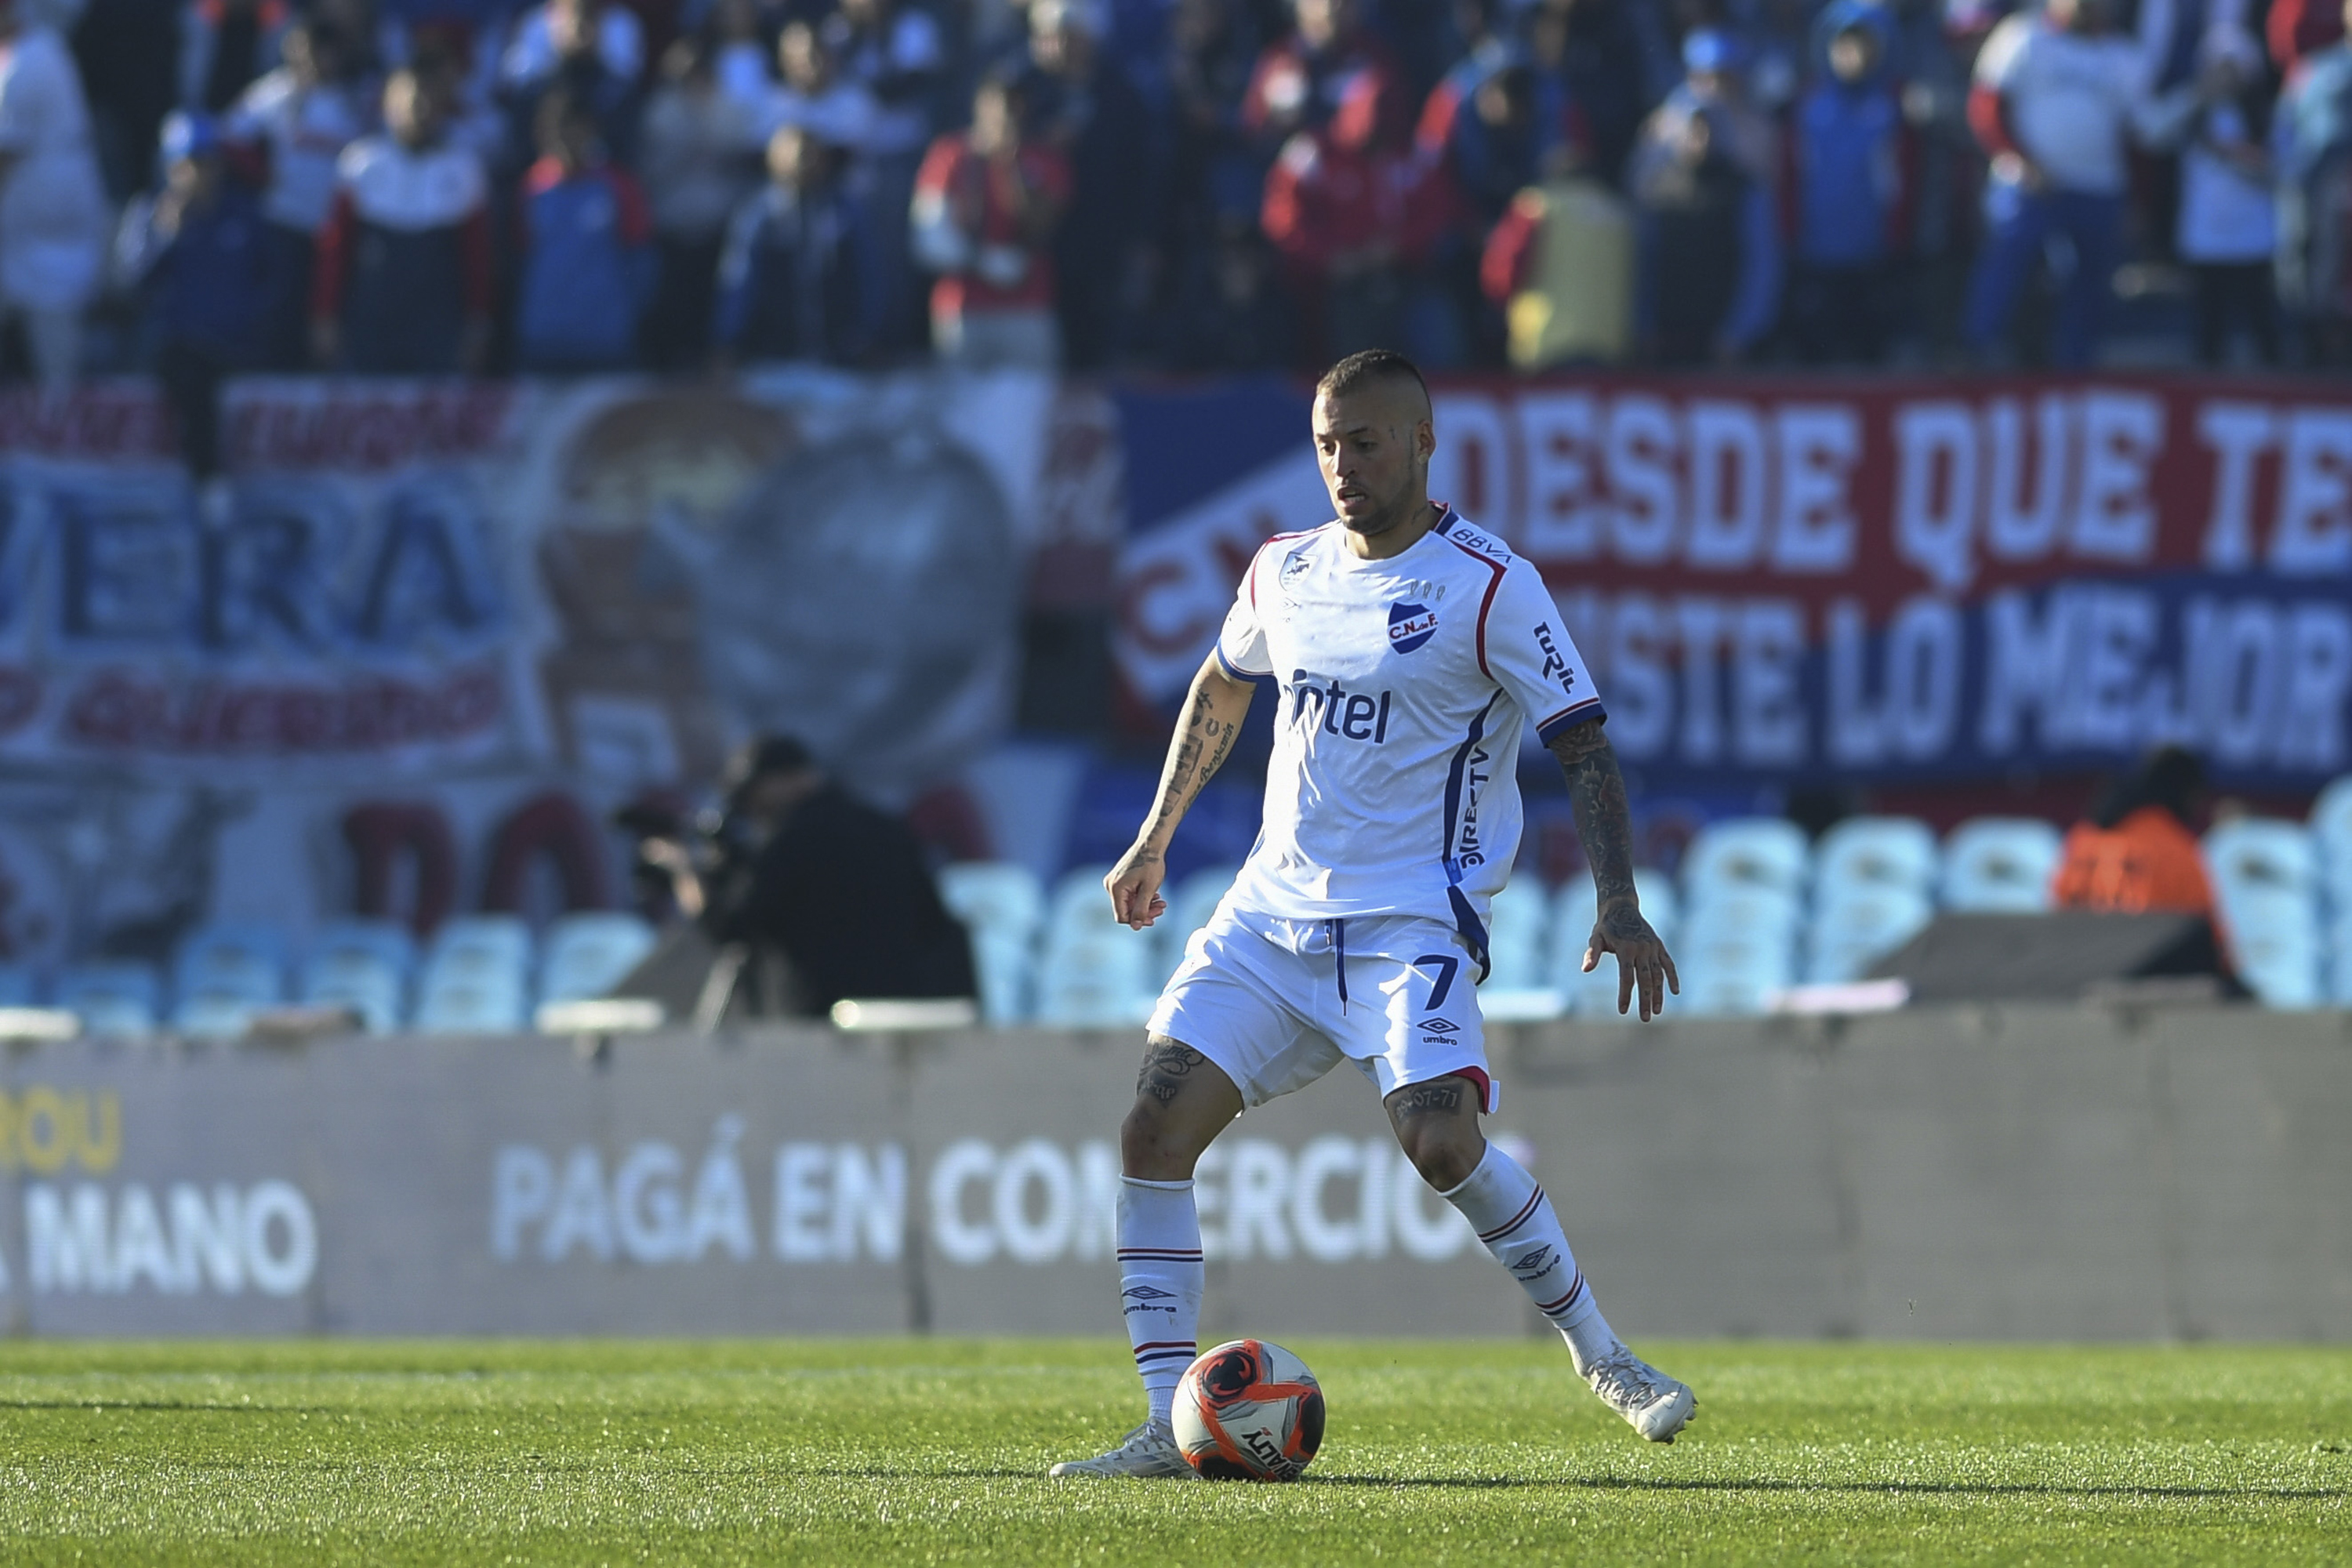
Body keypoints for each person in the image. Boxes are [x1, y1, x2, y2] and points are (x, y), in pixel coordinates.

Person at [1049, 349, 1691, 1480]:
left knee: (1442, 1144)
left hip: (1411, 928)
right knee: (1151, 1131)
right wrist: (1154, 836)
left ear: (1424, 441)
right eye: (1329, 445)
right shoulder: (1282, 572)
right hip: (1269, 921)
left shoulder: (1491, 585)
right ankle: (1166, 1418)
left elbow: (1581, 743)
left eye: (1369, 442)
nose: (1345, 466)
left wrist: (1621, 902)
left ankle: (1605, 1356)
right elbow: (1221, 682)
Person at [643, 735, 977, 1020]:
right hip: (902, 1016)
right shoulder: (885, 827)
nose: (752, 809)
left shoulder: (791, 840)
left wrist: (684, 871)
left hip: (821, 1024)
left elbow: (732, 930)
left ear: (786, 779)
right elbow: (932, 922)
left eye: (753, 794)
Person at [1962, 0, 2151, 368]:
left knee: (2092, 280)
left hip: (2098, 187)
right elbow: (1985, 106)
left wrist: (2137, 200)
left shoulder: (2122, 55)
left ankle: (2076, 366)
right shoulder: (2023, 36)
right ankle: (1978, 351)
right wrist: (2018, 158)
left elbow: (2139, 135)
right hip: (2031, 183)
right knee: (2007, 264)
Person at [115, 110, 283, 499]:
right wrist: (165, 237)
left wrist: (251, 318)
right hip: (182, 349)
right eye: (189, 164)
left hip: (237, 344)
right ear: (171, 167)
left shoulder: (244, 214)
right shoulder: (150, 215)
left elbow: (272, 280)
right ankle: (209, 484)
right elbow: (130, 285)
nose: (198, 175)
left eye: (207, 163)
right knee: (190, 374)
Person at [310, 67, 492, 373]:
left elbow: (476, 258)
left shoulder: (464, 168)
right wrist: (325, 315)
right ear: (389, 105)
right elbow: (335, 249)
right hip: (371, 317)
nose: (420, 111)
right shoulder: (362, 163)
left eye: (428, 102)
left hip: (436, 320)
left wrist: (478, 323)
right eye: (411, 101)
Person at [225, 18, 369, 368]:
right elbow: (231, 136)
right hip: (282, 220)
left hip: (332, 229)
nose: (311, 62)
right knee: (280, 309)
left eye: (319, 53)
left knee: (325, 314)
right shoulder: (275, 95)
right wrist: (262, 173)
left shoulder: (354, 101)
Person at [910, 71, 1068, 367]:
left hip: (1029, 308)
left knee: (1032, 404)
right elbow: (928, 240)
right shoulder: (948, 155)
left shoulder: (1046, 158)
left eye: (1014, 102)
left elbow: (1040, 227)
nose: (1005, 112)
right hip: (962, 309)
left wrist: (1011, 164)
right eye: (995, 101)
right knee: (960, 408)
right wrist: (982, 261)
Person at [2143, 27, 2277, 365]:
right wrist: (2195, 96)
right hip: (2205, 234)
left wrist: (2232, 154)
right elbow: (2152, 132)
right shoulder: (2194, 111)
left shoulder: (2262, 113)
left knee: (2262, 319)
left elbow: (2279, 166)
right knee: (2209, 323)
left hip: (2255, 235)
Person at [1785, 9, 1909, 365]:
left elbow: (1902, 180)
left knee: (1870, 349)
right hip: (1817, 249)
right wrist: (1791, 230)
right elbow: (1791, 174)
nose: (1852, 56)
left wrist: (1897, 237)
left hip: (1873, 251)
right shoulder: (1809, 104)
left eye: (1863, 46)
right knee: (1817, 349)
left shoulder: (1893, 107)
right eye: (1844, 45)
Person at [0, 0, 108, 387]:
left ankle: (63, 432)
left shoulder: (31, 60)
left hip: (50, 217)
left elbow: (5, 155)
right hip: (25, 222)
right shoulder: (19, 53)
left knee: (55, 348)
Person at [513, 89, 653, 371]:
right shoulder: (531, 187)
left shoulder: (619, 185)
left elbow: (643, 262)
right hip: (543, 338)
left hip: (606, 341)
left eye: (573, 126)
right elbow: (521, 259)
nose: (565, 137)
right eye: (556, 128)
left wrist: (622, 315)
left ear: (591, 129)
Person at [713, 124, 869, 364]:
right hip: (773, 356)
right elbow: (739, 281)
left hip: (837, 355)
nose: (804, 163)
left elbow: (868, 274)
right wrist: (727, 340)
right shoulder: (758, 215)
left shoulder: (844, 211)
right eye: (796, 156)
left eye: (811, 155)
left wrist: (865, 334)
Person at [2050, 746, 2223, 927]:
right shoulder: (2175, 848)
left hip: (2077, 951)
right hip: (2147, 953)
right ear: (2185, 793)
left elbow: (2059, 903)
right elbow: (2207, 930)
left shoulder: (2083, 837)